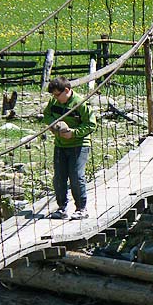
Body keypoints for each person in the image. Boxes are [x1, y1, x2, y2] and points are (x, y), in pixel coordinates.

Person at [43, 76, 97, 220]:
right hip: (60, 145)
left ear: (66, 90)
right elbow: (46, 115)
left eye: (57, 94)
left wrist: (74, 133)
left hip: (78, 145)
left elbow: (91, 124)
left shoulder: (80, 104)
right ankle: (62, 208)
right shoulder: (53, 102)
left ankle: (81, 208)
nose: (55, 98)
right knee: (59, 177)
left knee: (76, 176)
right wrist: (54, 126)